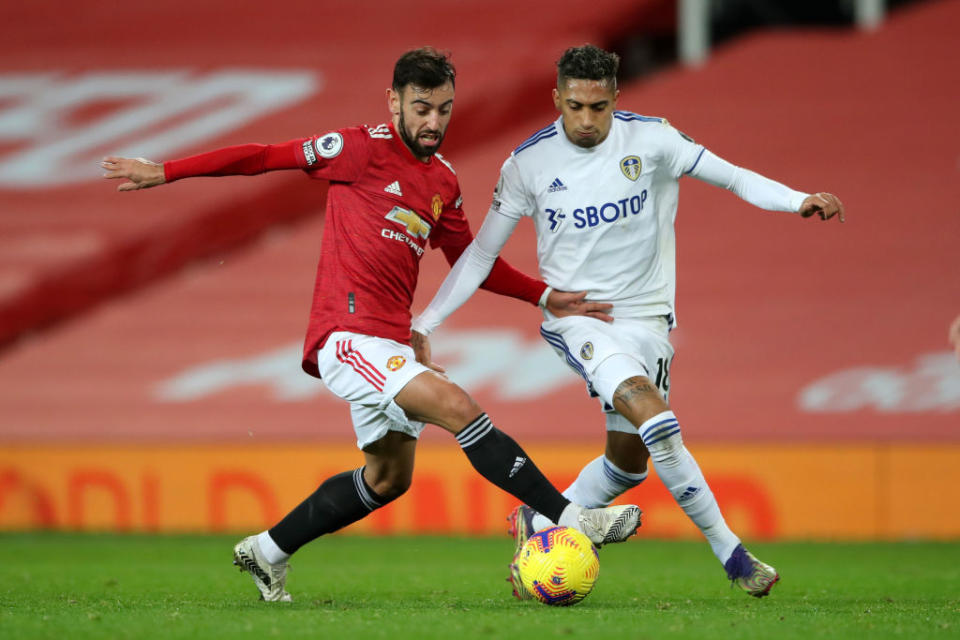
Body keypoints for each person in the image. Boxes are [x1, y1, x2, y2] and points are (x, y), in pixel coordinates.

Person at [102, 47, 641, 603]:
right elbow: (264, 156)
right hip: (347, 336)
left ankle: (266, 551)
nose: (434, 122)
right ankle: (574, 518)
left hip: (391, 343)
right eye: (422, 108)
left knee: (387, 480)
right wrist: (164, 171)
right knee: (460, 409)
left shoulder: (444, 182)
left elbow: (473, 263)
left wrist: (546, 295)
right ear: (395, 102)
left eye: (445, 110)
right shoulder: (357, 149)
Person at [411, 44, 845, 599]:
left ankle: (540, 523)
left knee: (629, 464)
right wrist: (427, 320)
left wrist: (797, 199)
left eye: (599, 107)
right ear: (557, 100)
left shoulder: (655, 140)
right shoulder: (527, 163)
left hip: (649, 320)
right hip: (582, 320)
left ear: (617, 97)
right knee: (655, 417)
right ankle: (731, 553)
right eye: (574, 107)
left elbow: (733, 178)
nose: (587, 120)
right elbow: (478, 255)